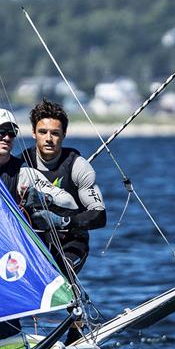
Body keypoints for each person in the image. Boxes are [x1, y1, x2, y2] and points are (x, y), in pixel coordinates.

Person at [22, 99, 106, 276]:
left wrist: (62, 221)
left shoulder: (78, 166)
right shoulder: (20, 164)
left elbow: (100, 215)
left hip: (71, 243)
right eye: (43, 132)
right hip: (32, 244)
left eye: (55, 133)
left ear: (64, 134)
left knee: (58, 274)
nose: (49, 139)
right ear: (33, 133)